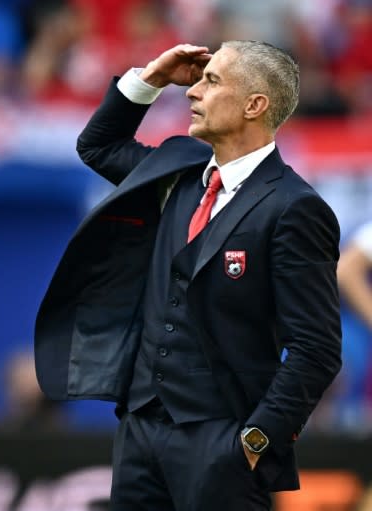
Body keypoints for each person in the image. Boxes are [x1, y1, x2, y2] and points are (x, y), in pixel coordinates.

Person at [34, 41, 342, 510]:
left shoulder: (294, 207)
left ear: (254, 105)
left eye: (211, 81)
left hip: (222, 444)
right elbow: (96, 145)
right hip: (140, 429)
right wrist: (151, 78)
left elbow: (316, 349)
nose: (192, 92)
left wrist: (255, 441)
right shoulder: (176, 171)